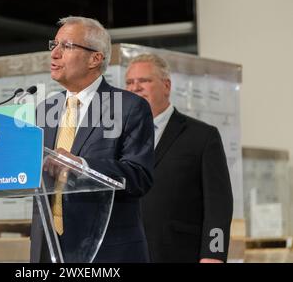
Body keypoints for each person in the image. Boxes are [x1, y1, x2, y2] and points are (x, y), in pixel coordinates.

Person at [30, 16, 154, 263]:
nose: (54, 54)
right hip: (49, 250)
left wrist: (82, 166)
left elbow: (140, 176)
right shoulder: (44, 110)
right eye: (53, 45)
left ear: (95, 58)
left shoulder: (128, 107)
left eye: (65, 46)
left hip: (106, 252)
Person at [125, 53, 233, 263]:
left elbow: (219, 204)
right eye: (129, 82)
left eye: (144, 80)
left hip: (180, 253)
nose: (135, 87)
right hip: (129, 253)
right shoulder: (120, 138)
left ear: (166, 85)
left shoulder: (202, 136)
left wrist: (214, 255)